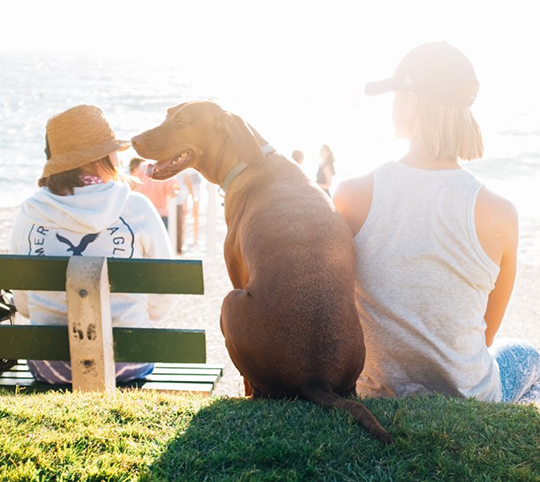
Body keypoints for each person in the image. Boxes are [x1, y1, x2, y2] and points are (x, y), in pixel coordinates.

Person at [333, 42, 540, 403]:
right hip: (470, 397)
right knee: (529, 357)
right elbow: (485, 337)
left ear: (412, 101)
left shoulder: (352, 194)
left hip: (377, 392)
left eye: (396, 95)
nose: (393, 105)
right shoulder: (500, 213)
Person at [9, 104, 178, 384]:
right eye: (113, 150)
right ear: (104, 156)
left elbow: (24, 305)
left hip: (51, 365)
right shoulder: (135, 206)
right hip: (129, 360)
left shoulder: (30, 211)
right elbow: (165, 293)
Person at [129, 157, 176, 229]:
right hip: (161, 215)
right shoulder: (166, 170)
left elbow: (132, 188)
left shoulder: (141, 169)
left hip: (144, 215)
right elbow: (173, 193)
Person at [175, 168, 201, 253]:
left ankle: (193, 238)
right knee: (188, 214)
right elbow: (187, 178)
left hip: (191, 186)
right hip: (186, 187)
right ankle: (189, 238)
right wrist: (193, 194)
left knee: (192, 214)